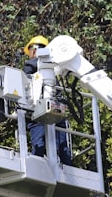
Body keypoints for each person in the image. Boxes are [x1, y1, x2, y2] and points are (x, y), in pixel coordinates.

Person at [21, 36, 73, 165]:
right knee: (49, 146)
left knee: (54, 147)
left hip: (45, 111)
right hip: (43, 111)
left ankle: (44, 168)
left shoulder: (45, 67)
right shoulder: (47, 67)